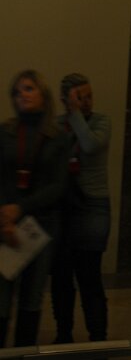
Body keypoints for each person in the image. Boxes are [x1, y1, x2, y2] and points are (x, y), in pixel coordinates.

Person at [0, 70, 69, 348]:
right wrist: (6, 218)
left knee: (31, 297)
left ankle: (24, 352)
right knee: (1, 296)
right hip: (5, 224)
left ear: (43, 93)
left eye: (28, 89)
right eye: (17, 92)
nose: (22, 95)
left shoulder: (57, 137)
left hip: (40, 226)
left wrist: (21, 208)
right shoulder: (5, 132)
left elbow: (58, 186)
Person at [51, 73, 111, 343]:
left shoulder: (101, 121)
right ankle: (63, 334)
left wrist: (75, 114)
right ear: (64, 100)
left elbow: (89, 144)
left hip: (92, 205)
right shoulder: (56, 125)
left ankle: (97, 338)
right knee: (61, 274)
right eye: (79, 98)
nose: (86, 102)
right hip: (64, 206)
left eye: (89, 96)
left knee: (89, 275)